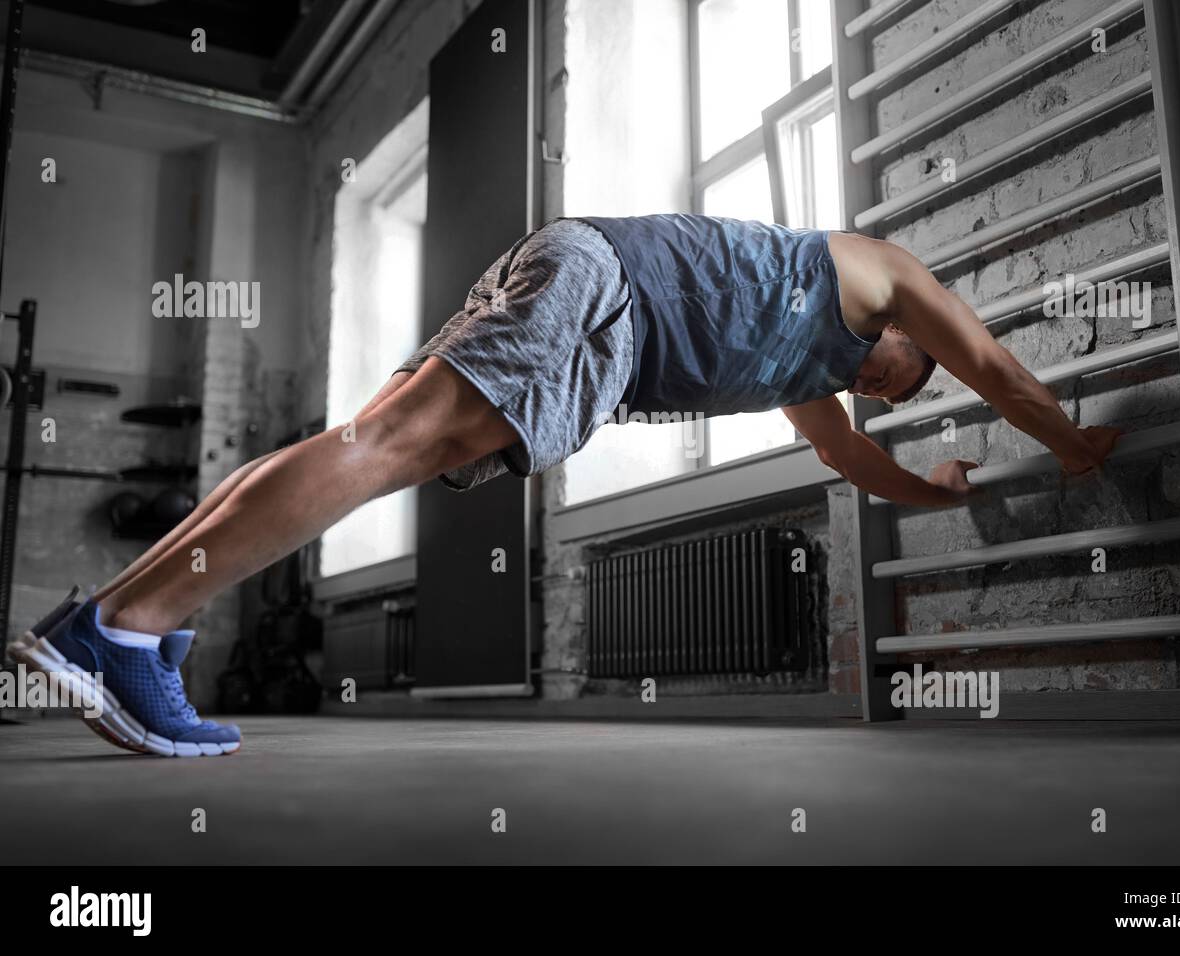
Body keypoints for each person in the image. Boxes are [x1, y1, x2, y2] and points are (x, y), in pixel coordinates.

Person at [8, 214, 1121, 756]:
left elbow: (846, 459)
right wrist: (1070, 444)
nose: (888, 391)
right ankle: (125, 623)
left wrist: (933, 488)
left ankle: (126, 622)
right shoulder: (878, 277)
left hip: (586, 299)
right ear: (901, 338)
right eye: (899, 380)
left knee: (381, 441)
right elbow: (997, 368)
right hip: (602, 293)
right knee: (388, 446)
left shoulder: (807, 369)